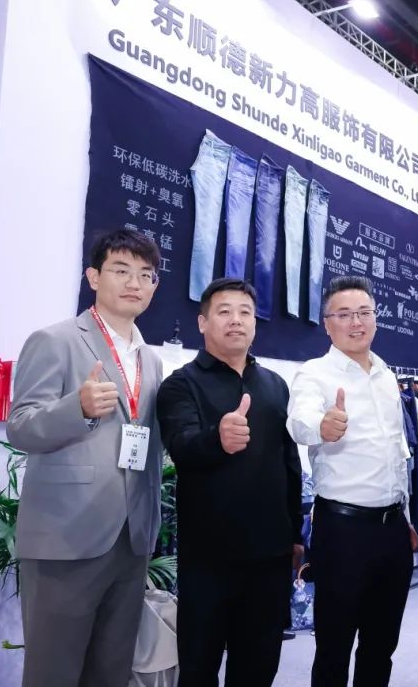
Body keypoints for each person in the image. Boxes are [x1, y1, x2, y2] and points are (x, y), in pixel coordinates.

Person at [7, 228, 164, 687]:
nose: (135, 283)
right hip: (66, 535)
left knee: (111, 671)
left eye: (146, 275)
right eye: (121, 270)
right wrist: (76, 407)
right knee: (53, 672)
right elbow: (21, 426)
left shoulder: (150, 360)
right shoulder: (55, 340)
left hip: (131, 538)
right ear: (93, 277)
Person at [157, 278, 303, 687]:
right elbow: (182, 446)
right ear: (202, 323)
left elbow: (289, 462)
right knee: (199, 668)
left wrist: (295, 532)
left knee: (258, 667)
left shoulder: (275, 385)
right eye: (224, 312)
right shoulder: (180, 384)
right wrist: (217, 439)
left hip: (271, 555)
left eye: (245, 312)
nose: (236, 320)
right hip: (208, 558)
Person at [286, 275, 417, 687]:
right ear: (327, 324)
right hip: (343, 531)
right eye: (343, 314)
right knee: (334, 645)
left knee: (381, 644)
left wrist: (406, 517)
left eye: (364, 312)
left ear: (375, 318)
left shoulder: (386, 375)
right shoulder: (315, 374)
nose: (356, 322)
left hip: (393, 529)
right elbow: (299, 420)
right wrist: (321, 426)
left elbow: (397, 453)